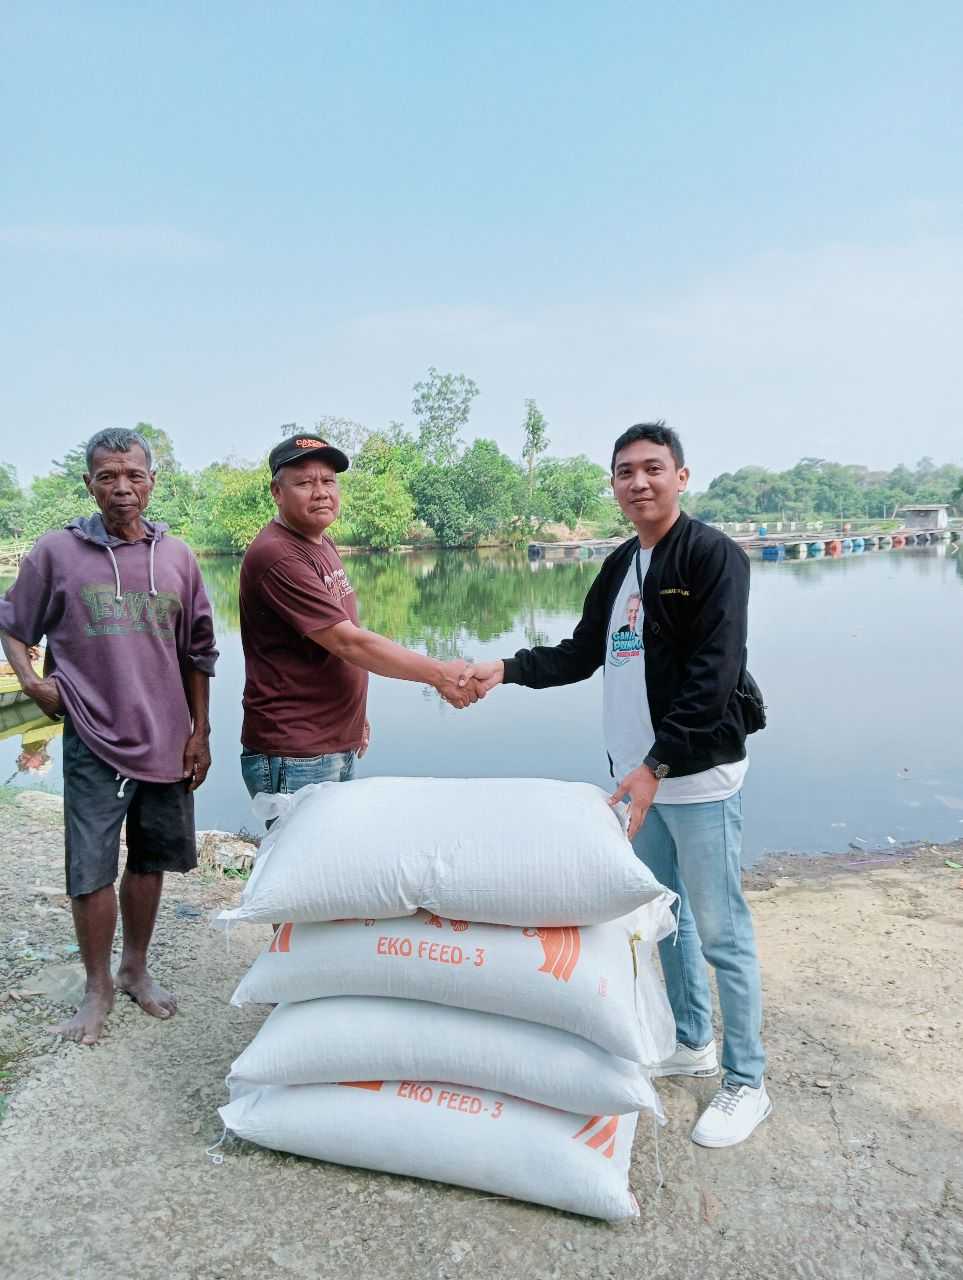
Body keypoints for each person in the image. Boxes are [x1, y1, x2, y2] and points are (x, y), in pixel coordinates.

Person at [465, 422, 770, 1148]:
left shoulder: (712, 556)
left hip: (691, 780)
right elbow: (579, 654)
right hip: (636, 782)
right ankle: (691, 1040)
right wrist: (502, 669)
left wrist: (656, 765)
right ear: (613, 485)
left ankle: (746, 1081)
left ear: (681, 476)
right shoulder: (621, 565)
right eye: (624, 472)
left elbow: (713, 674)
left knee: (722, 931)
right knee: (662, 917)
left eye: (651, 470)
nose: (638, 483)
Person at [0, 428, 217, 1045]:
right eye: (107, 477)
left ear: (152, 480)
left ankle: (134, 970)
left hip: (168, 739)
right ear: (90, 483)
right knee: (90, 869)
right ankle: (97, 988)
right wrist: (34, 685)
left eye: (134, 476)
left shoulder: (178, 558)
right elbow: (13, 625)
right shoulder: (56, 553)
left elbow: (199, 652)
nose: (122, 489)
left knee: (149, 862)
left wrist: (201, 731)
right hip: (93, 737)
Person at [239, 434, 477, 805]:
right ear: (276, 491)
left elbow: (340, 635)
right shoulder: (278, 556)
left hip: (330, 741)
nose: (320, 492)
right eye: (304, 483)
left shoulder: (320, 541)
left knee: (334, 860)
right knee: (306, 862)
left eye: (328, 481)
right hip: (296, 752)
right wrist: (440, 674)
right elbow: (348, 642)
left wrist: (354, 716)